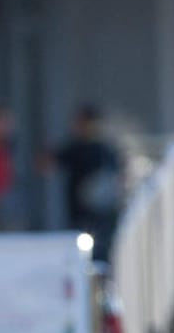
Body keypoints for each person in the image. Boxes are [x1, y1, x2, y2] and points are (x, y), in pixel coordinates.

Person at [46, 102, 125, 262]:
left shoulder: (105, 150)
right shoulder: (77, 148)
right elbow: (46, 164)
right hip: (82, 219)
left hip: (101, 219)